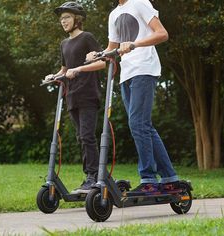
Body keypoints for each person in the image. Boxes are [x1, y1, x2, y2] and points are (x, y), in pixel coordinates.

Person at [103, 0, 180, 194]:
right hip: (126, 74)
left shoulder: (139, 2)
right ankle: (169, 177)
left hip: (144, 69)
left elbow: (162, 33)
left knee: (138, 124)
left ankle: (149, 180)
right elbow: (112, 48)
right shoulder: (114, 14)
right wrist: (98, 54)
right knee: (142, 126)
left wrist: (134, 44)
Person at [44, 1, 105, 194]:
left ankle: (93, 176)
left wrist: (77, 70)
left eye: (67, 17)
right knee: (81, 138)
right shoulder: (64, 44)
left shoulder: (87, 38)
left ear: (77, 19)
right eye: (61, 19)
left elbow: (102, 63)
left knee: (87, 136)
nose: (63, 21)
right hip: (71, 96)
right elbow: (64, 69)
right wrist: (53, 76)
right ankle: (89, 176)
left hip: (88, 94)